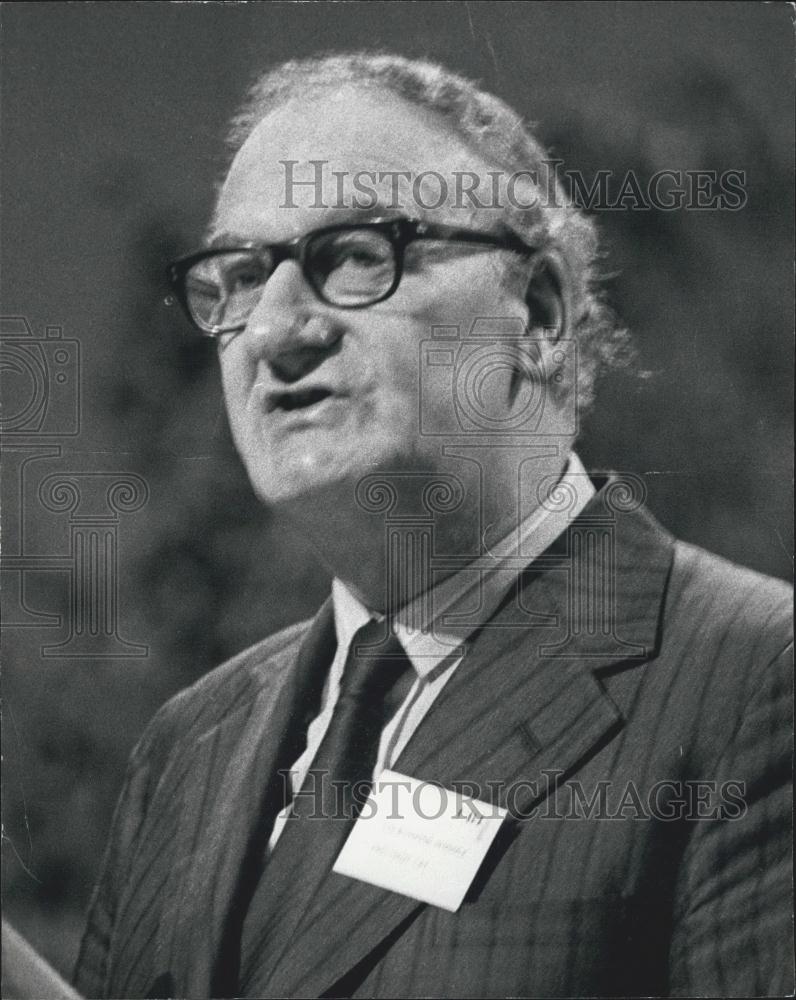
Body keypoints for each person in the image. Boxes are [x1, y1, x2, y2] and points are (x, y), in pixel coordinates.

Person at [73, 52, 792, 999]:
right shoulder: (186, 747)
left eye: (357, 256)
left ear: (536, 314)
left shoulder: (753, 682)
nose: (276, 329)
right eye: (239, 277)